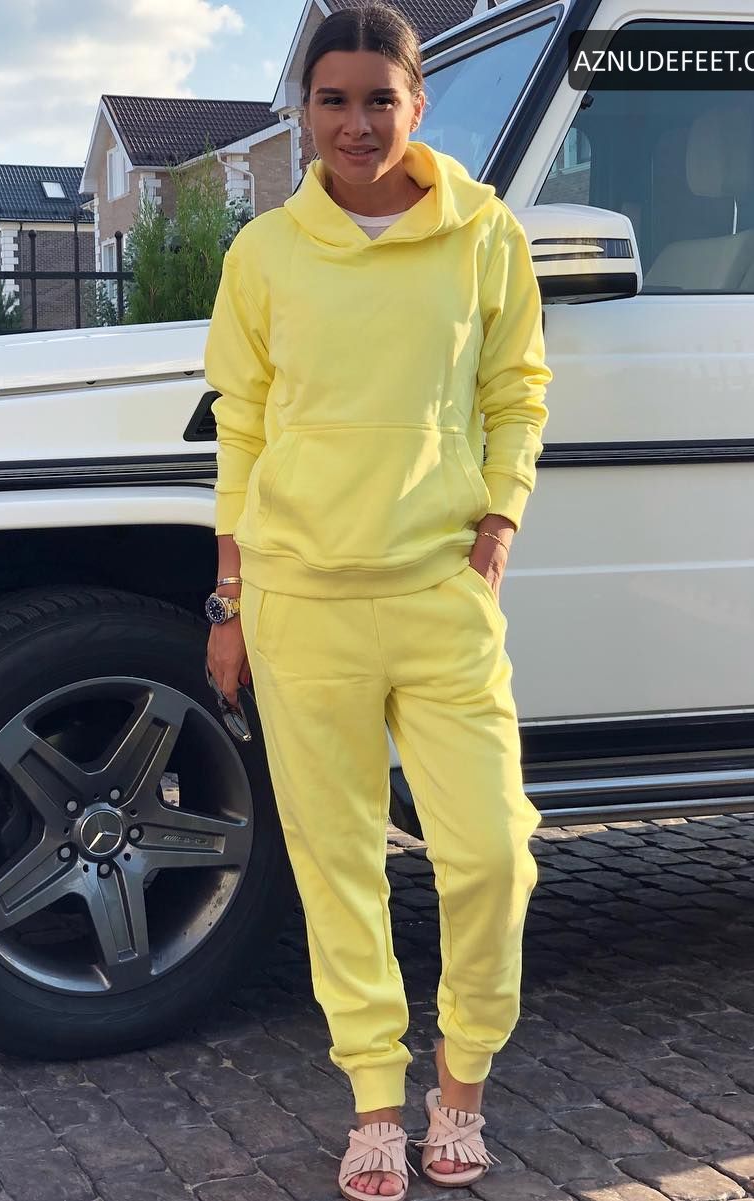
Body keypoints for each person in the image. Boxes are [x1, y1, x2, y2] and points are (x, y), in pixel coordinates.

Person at [203, 4, 551, 1197]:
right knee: (337, 862)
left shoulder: (482, 232)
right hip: (298, 598)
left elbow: (517, 389)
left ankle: (464, 1081)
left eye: (379, 100)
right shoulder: (264, 254)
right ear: (304, 111)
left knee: (494, 854)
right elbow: (242, 426)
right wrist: (229, 598)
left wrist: (498, 521)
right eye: (333, 100)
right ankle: (373, 1099)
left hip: (439, 592)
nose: (356, 124)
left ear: (418, 103)